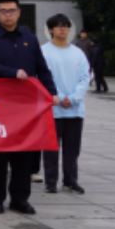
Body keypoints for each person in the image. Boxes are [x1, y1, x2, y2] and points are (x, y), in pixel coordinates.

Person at [0, 0, 59, 216]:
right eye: (3, 11)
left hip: (25, 107)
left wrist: (51, 92)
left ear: (19, 12)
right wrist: (11, 73)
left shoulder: (30, 39)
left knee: (24, 154)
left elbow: (42, 69)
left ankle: (20, 198)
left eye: (11, 10)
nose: (8, 15)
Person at [42, 14, 89, 196]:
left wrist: (74, 98)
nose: (63, 29)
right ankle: (51, 182)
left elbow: (85, 77)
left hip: (75, 109)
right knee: (51, 148)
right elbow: (43, 78)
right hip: (52, 108)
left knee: (72, 149)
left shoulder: (78, 53)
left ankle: (70, 181)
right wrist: (59, 97)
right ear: (51, 30)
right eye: (59, 26)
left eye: (66, 26)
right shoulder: (44, 52)